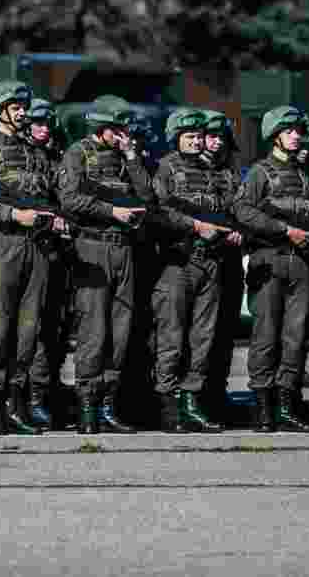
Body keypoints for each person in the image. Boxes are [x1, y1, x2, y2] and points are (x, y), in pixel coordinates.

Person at [0, 81, 62, 436]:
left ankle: (15, 405)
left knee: (27, 334)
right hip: (0, 248)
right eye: (16, 107)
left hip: (35, 249)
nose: (23, 112)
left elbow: (49, 192)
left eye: (24, 106)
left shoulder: (35, 152)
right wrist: (11, 215)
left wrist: (55, 216)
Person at [234, 106, 309, 433]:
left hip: (304, 264)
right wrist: (281, 230)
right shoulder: (260, 173)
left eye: (299, 131)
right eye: (289, 130)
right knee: (266, 336)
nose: (296, 136)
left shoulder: (307, 176)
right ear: (275, 134)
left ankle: (286, 403)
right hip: (271, 260)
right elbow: (242, 210)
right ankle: (263, 408)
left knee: (295, 338)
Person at [58, 103, 155, 434]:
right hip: (93, 245)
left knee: (120, 330)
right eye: (117, 130)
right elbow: (69, 199)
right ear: (100, 128)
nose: (122, 136)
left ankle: (109, 405)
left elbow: (147, 196)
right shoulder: (78, 154)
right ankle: (86, 406)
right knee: (93, 330)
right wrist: (111, 211)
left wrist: (132, 158)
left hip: (123, 248)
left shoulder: (126, 159)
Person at [150, 108, 240, 432]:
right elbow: (158, 211)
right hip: (178, 263)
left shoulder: (216, 172)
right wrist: (194, 226)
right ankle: (168, 406)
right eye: (189, 136)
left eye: (199, 136)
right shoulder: (165, 170)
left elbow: (232, 207)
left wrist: (233, 228)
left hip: (212, 262)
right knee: (171, 338)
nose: (196, 141)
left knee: (203, 339)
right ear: (176, 138)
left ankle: (193, 401)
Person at [25, 98, 74, 430]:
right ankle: (32, 396)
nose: (43, 129)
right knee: (32, 328)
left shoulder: (58, 158)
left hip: (59, 253)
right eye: (37, 124)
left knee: (56, 328)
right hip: (28, 249)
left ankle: (47, 388)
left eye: (47, 125)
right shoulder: (21, 159)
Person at [200, 110, 246, 425]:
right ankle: (196, 397)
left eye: (221, 138)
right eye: (211, 136)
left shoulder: (231, 174)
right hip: (200, 259)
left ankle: (217, 393)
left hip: (229, 260)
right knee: (199, 333)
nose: (217, 144)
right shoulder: (182, 170)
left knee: (224, 332)